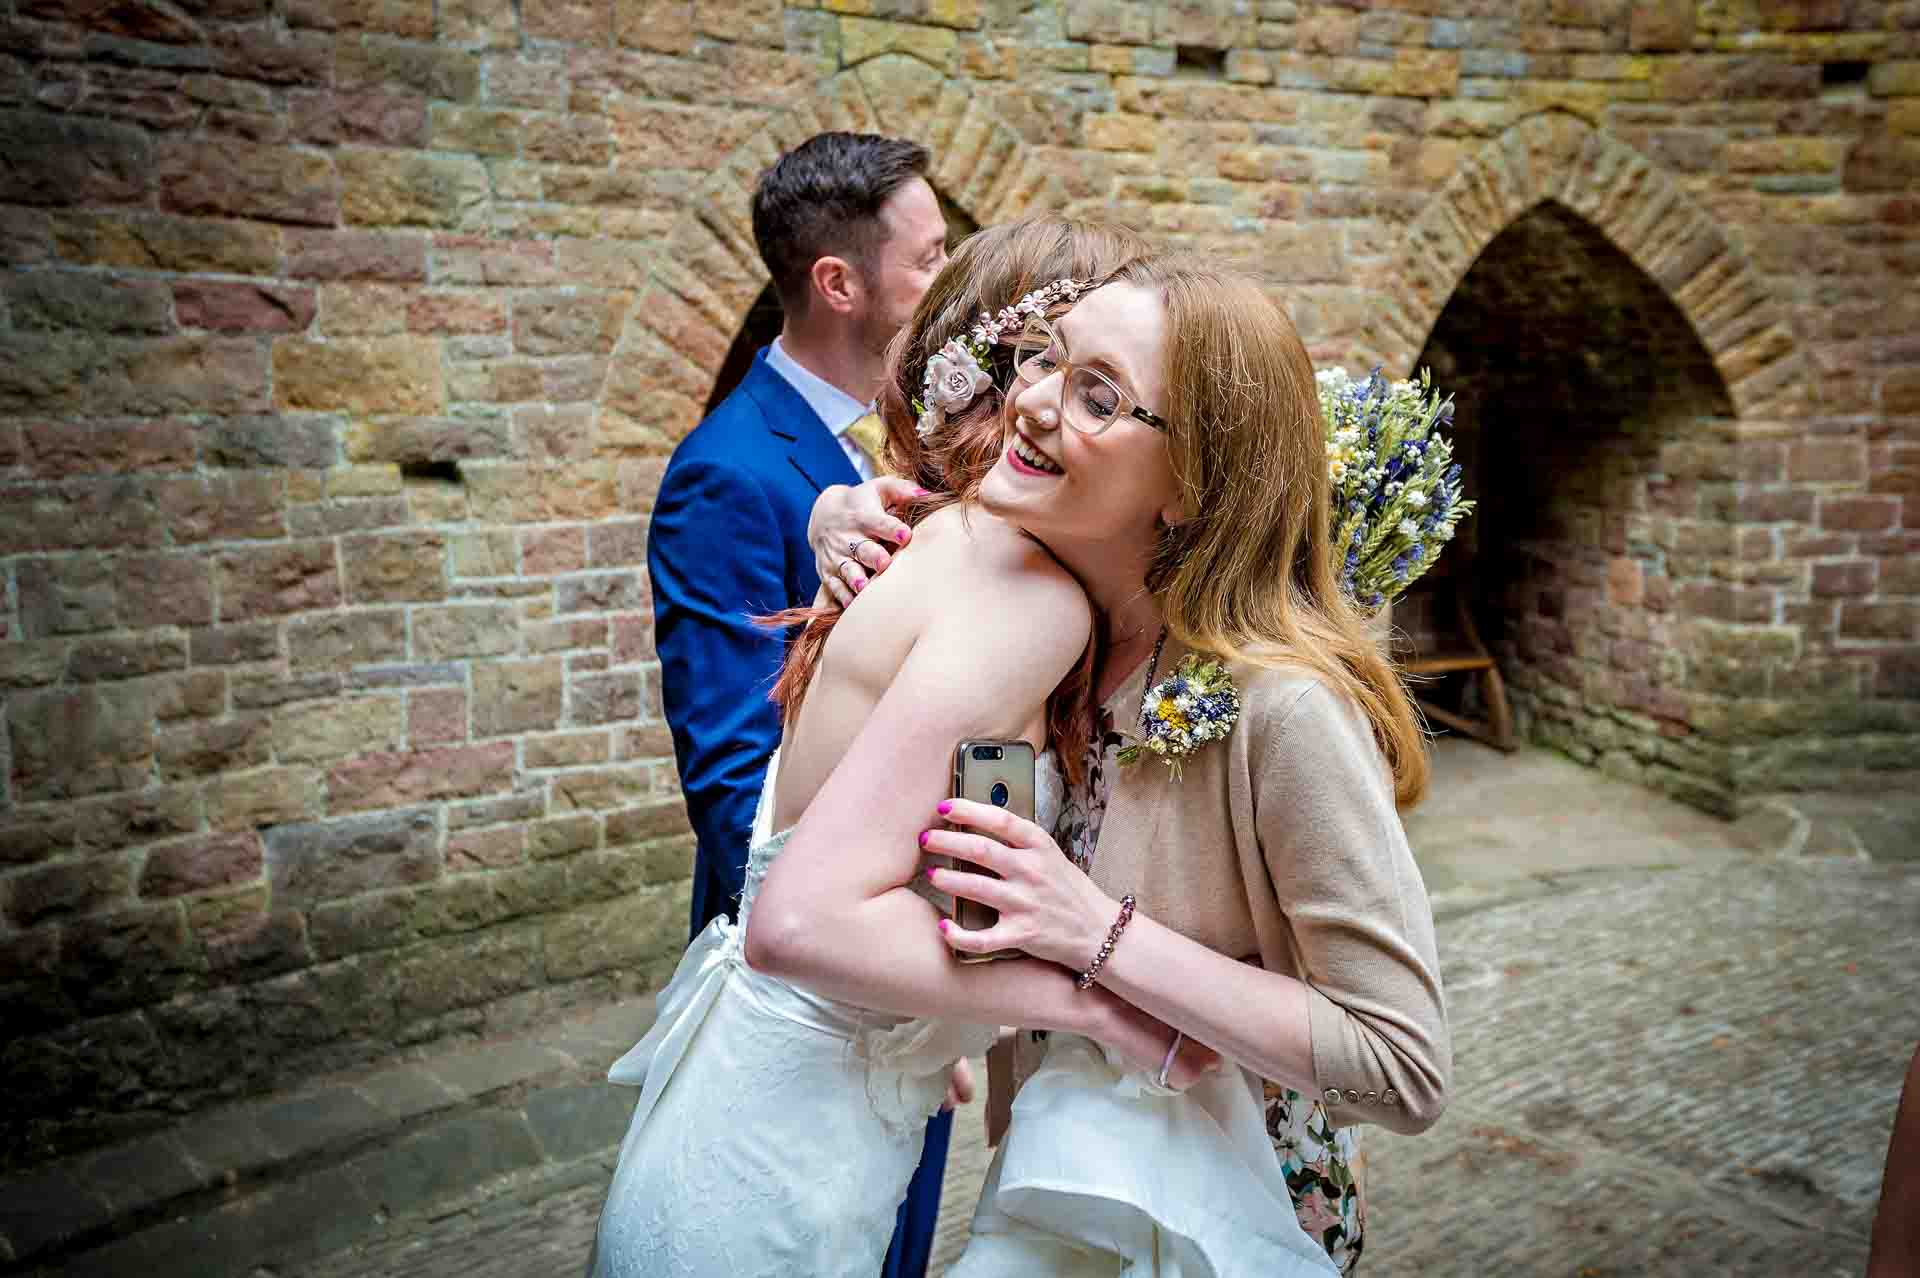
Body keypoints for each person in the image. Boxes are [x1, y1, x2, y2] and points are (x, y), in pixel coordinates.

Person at [590, 217, 1219, 1278]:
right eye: (1058, 366)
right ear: (1002, 374)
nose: (1054, 402)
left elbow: (925, 858)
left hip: (764, 1124)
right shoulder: (1025, 598)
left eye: (1106, 388)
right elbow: (799, 921)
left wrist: (941, 1013)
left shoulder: (934, 538)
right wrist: (1108, 1010)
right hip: (776, 1177)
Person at [807, 256, 1450, 1274]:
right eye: (1045, 362)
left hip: (1223, 1208)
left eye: (1098, 395)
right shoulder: (1055, 626)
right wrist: (829, 518)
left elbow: (1402, 1064)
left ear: (1191, 480)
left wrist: (1094, 933)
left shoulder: (1283, 706)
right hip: (1054, 1169)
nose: (1033, 404)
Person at [643, 130, 952, 1277]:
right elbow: (731, 776)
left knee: (899, 1242)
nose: (947, 280)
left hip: (915, 956)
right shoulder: (727, 473)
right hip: (818, 976)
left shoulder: (932, 440)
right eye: (929, 258)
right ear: (840, 282)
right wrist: (853, 972)